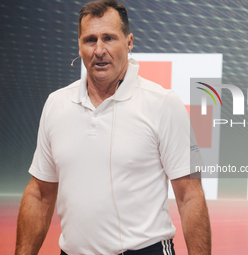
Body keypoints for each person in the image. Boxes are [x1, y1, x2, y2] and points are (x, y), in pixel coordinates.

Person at [15, 0, 211, 254]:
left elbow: (189, 196)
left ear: (129, 42)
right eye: (90, 40)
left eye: (109, 38)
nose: (99, 50)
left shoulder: (163, 103)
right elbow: (40, 194)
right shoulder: (56, 103)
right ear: (79, 45)